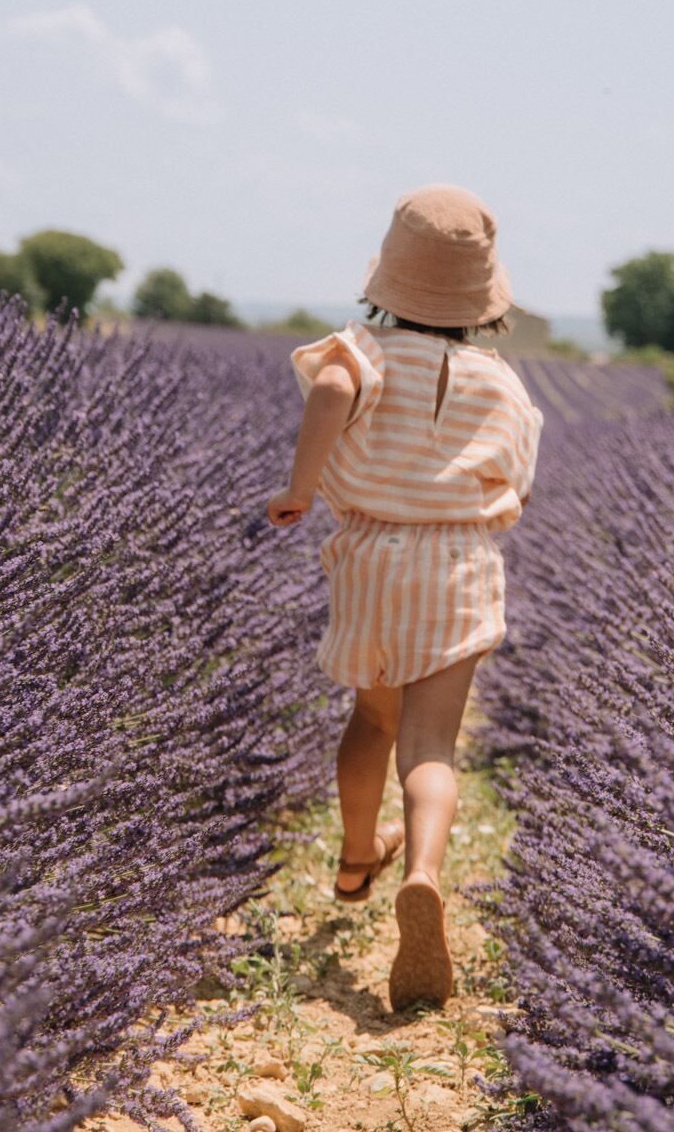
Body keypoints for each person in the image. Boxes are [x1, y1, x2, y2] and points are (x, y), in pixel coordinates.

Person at [266, 184, 544, 1012]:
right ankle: (421, 871)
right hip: (457, 562)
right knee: (429, 746)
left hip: (372, 556)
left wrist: (300, 488)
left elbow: (330, 393)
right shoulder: (501, 384)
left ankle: (357, 859)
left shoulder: (361, 351)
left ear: (389, 276)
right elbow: (516, 481)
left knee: (373, 718)